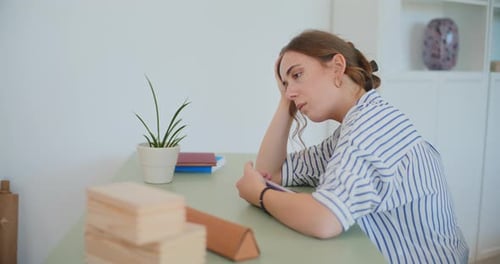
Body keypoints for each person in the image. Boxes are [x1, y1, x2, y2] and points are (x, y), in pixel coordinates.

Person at [235, 29, 469, 263]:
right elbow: (271, 172)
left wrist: (260, 195)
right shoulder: (354, 126)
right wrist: (285, 99)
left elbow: (325, 219)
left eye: (297, 75)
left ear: (337, 67)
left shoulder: (372, 127)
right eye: (286, 84)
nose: (291, 91)